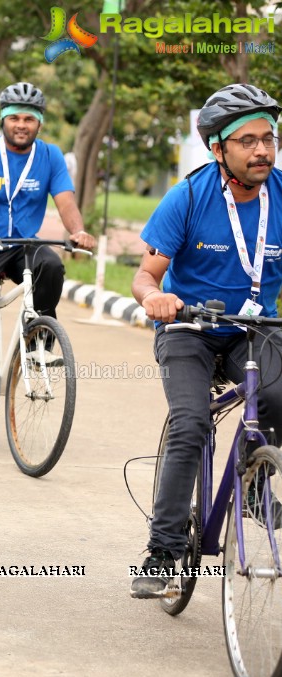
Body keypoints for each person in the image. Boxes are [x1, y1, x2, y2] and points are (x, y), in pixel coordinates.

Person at [129, 84, 282, 598]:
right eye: (248, 141)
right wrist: (156, 298)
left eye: (269, 138)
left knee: (279, 395)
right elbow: (145, 276)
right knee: (191, 423)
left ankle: (257, 483)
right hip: (188, 330)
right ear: (219, 149)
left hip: (253, 329)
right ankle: (163, 550)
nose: (262, 150)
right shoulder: (188, 196)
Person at [0, 81, 95, 426]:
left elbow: (66, 202)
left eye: (29, 118)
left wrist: (78, 231)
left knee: (51, 266)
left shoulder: (50, 155)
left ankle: (38, 344)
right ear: (3, 120)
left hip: (22, 245)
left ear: (39, 123)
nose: (22, 125)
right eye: (15, 118)